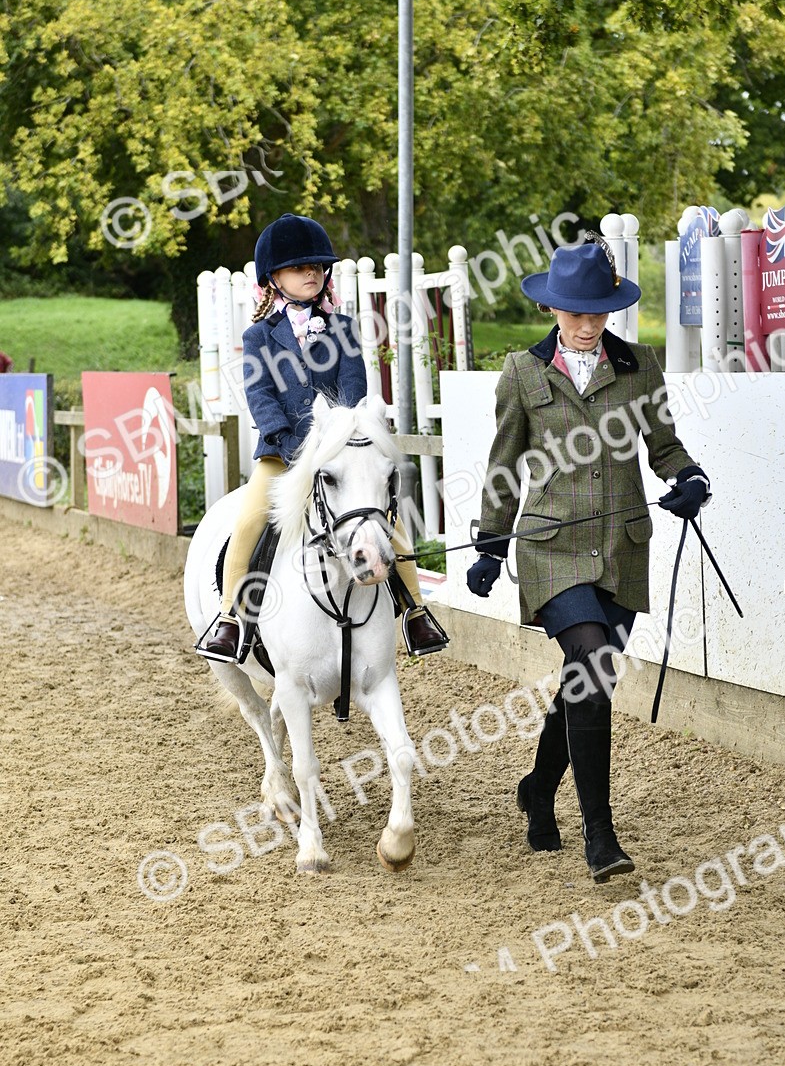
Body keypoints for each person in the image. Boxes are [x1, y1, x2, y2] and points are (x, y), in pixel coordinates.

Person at [466, 237, 711, 884]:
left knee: (586, 683)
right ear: (552, 307)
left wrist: (687, 478)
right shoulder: (522, 372)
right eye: (574, 311)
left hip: (622, 550)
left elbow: (663, 446)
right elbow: (504, 468)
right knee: (594, 665)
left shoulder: (638, 367)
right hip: (551, 549)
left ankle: (538, 787)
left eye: (597, 311)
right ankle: (600, 834)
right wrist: (491, 546)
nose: (585, 323)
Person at [199, 212, 448, 662]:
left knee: (391, 524)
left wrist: (335, 440)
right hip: (282, 454)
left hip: (339, 452)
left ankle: (416, 613)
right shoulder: (259, 336)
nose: (311, 272)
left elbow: (354, 393)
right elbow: (260, 395)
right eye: (299, 267)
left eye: (317, 265)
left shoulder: (344, 328)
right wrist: (287, 439)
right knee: (249, 520)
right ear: (274, 278)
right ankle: (230, 618)